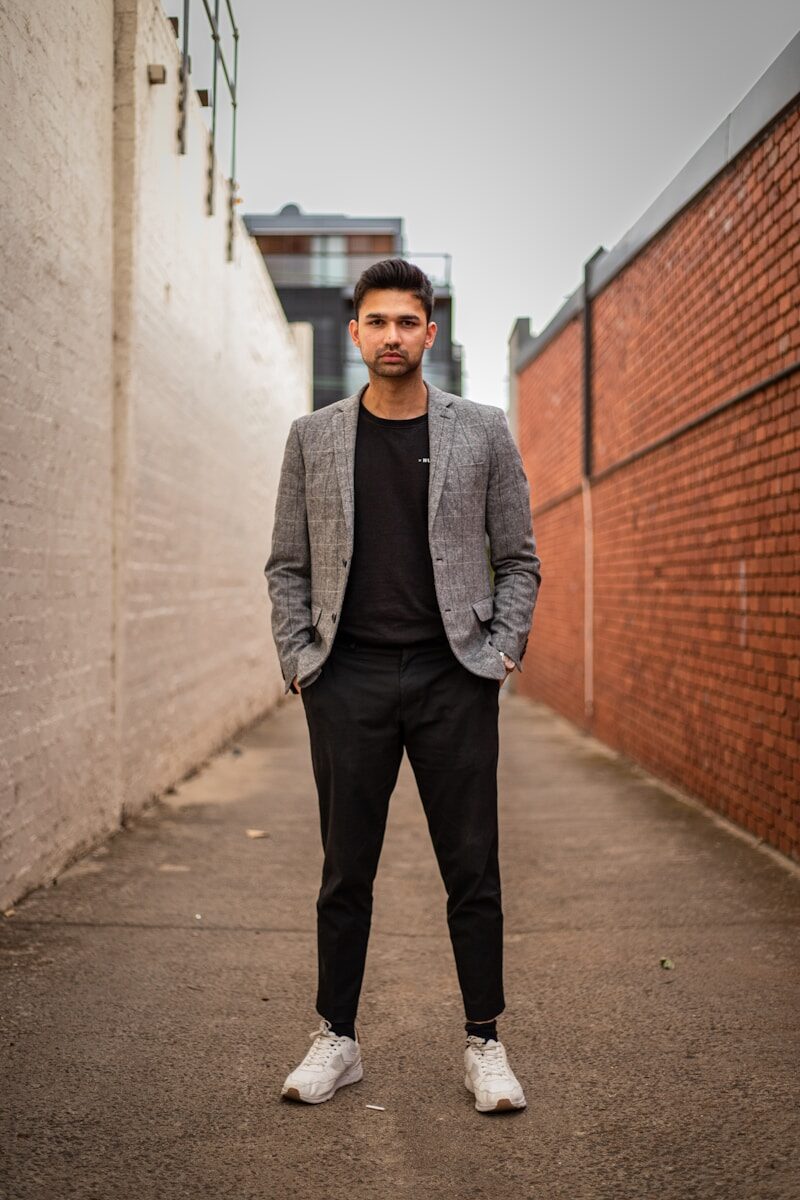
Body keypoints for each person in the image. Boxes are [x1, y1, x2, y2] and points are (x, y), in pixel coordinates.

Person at [265, 259, 540, 1113]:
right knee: (346, 870)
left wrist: (500, 653)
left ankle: (484, 1042)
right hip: (345, 680)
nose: (392, 336)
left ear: (429, 332)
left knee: (473, 870)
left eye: (406, 322)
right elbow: (287, 565)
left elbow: (520, 556)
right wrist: (300, 661)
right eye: (376, 322)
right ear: (355, 334)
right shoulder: (313, 437)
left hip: (453, 676)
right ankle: (337, 1037)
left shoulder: (484, 430)